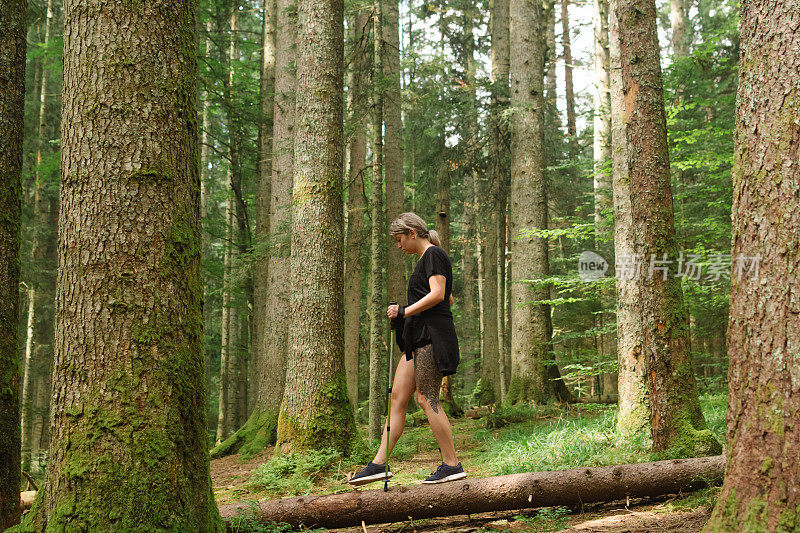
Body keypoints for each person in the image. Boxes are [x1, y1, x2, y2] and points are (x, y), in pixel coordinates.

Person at [348, 212, 464, 485]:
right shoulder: (425, 260)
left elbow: (438, 294)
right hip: (417, 340)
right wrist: (406, 314)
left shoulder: (433, 254)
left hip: (431, 339)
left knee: (427, 399)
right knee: (398, 398)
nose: (398, 246)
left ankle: (452, 464)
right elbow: (440, 296)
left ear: (412, 232)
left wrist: (404, 311)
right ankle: (379, 464)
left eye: (399, 240)